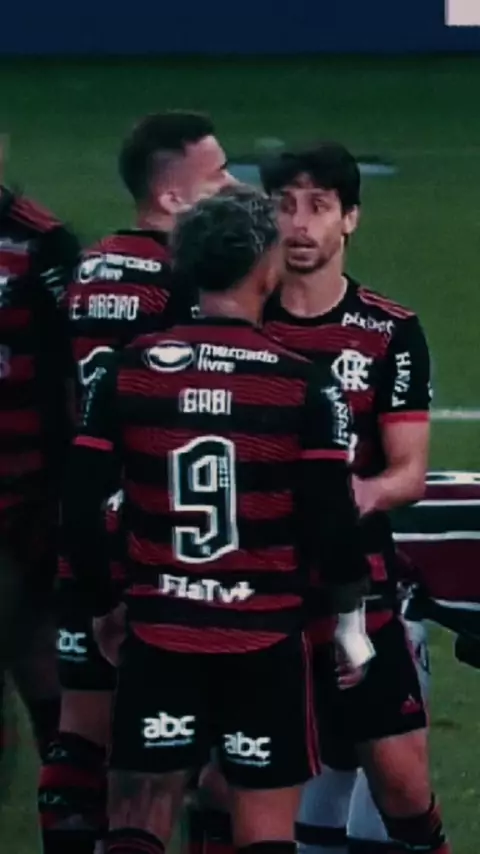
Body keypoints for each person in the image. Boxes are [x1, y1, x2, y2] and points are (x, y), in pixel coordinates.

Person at [63, 185, 372, 854]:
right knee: (261, 827)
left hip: (159, 633)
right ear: (266, 266)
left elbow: (81, 504)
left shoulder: (128, 371)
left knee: (136, 820)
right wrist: (350, 623)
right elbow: (333, 520)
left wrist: (101, 605)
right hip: (264, 643)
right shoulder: (304, 383)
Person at [39, 111, 236, 854]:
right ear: (174, 197)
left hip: (85, 517)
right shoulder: (187, 279)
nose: (233, 185)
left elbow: (65, 393)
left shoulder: (91, 269)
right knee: (202, 746)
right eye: (217, 175)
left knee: (80, 733)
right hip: (162, 529)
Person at [260, 144, 450, 854]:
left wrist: (346, 497)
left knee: (402, 785)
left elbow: (409, 474)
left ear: (350, 219)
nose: (300, 223)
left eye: (319, 206)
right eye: (285, 205)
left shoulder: (389, 331)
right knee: (231, 784)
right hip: (257, 587)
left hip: (358, 587)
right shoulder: (238, 319)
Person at [0, 137, 80, 785]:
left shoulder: (41, 243)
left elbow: (78, 366)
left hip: (29, 488)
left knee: (39, 643)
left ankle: (70, 789)